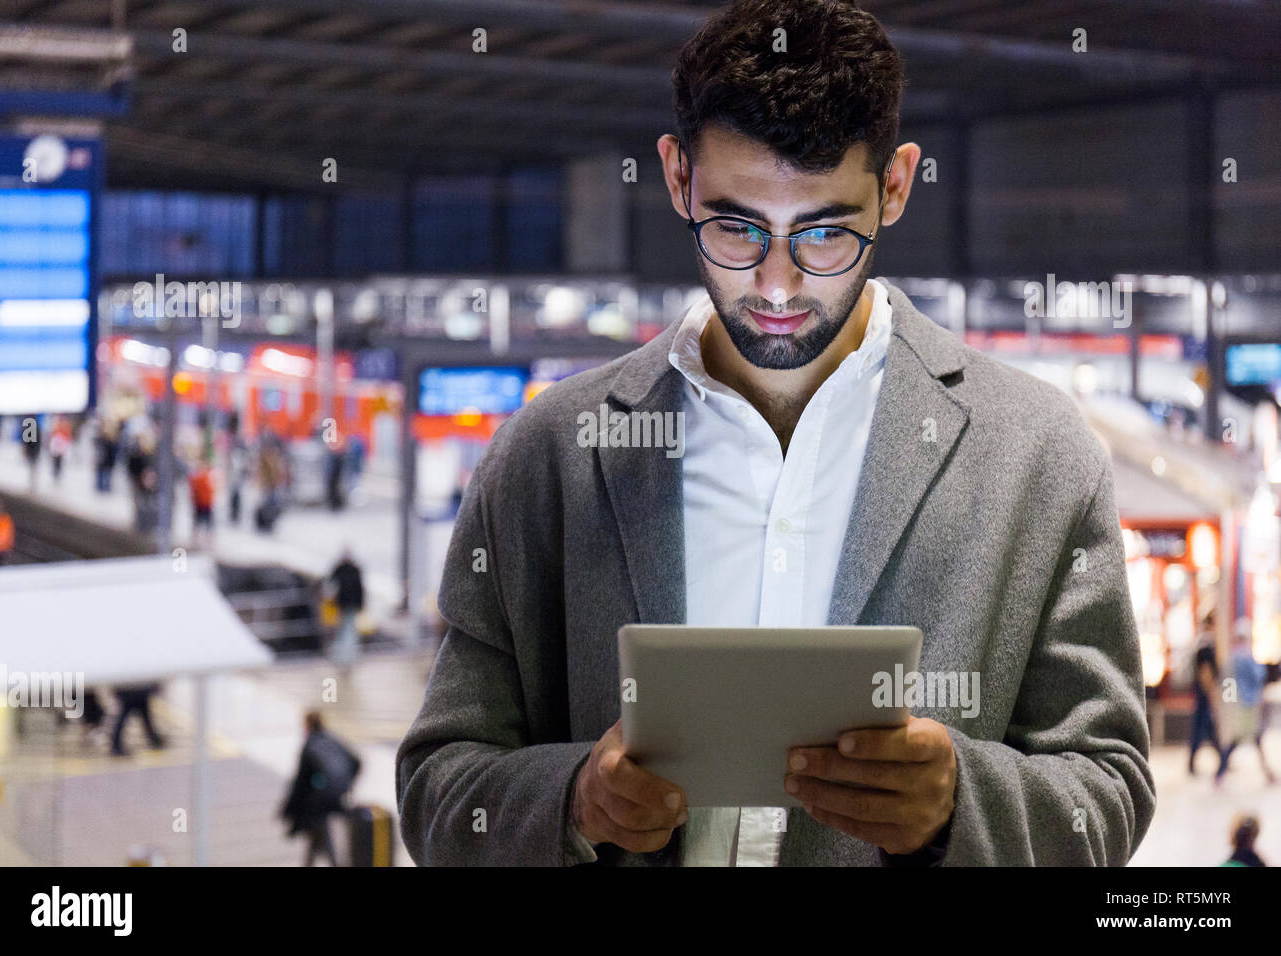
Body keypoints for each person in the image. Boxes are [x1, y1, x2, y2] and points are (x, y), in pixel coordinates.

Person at [397, 0, 1154, 867]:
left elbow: (1110, 786)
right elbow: (436, 787)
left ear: (896, 186)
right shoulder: (548, 458)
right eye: (735, 226)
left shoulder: (1035, 457)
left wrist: (958, 803)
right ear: (677, 177)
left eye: (825, 232)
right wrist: (575, 801)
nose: (778, 284)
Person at [280, 711, 361, 866]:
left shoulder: (309, 746)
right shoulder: (332, 740)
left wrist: (287, 808)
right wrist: (347, 784)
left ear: (307, 725)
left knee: (321, 832)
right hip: (336, 796)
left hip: (318, 802)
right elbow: (356, 761)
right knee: (317, 835)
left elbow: (300, 783)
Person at [1216, 619, 1275, 785]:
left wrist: (1229, 705)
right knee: (1246, 738)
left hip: (1238, 704)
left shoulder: (1231, 658)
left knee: (1248, 738)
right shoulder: (1248, 657)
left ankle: (1267, 772)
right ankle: (1221, 772)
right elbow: (1259, 677)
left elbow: (1226, 684)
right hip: (1249, 704)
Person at [1189, 614, 1223, 774]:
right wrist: (1211, 694)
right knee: (1201, 727)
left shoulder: (1199, 643)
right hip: (1204, 694)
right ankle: (1221, 759)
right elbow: (1206, 672)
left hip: (1201, 693)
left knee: (1209, 728)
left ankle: (1223, 758)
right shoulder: (1206, 645)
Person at [327, 549, 365, 669]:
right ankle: (347, 655)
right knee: (349, 628)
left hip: (343, 604)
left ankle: (344, 655)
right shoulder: (354, 569)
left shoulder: (341, 569)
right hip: (349, 604)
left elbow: (329, 582)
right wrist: (361, 604)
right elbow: (360, 588)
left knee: (345, 628)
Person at [110, 683, 166, 757]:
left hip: (132, 688)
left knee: (144, 715)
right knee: (127, 716)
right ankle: (116, 745)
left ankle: (154, 739)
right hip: (132, 689)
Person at [188, 458, 216, 549]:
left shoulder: (205, 476)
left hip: (206, 503)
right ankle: (197, 539)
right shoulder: (198, 478)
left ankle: (207, 539)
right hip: (200, 503)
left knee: (207, 522)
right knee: (199, 522)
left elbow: (212, 489)